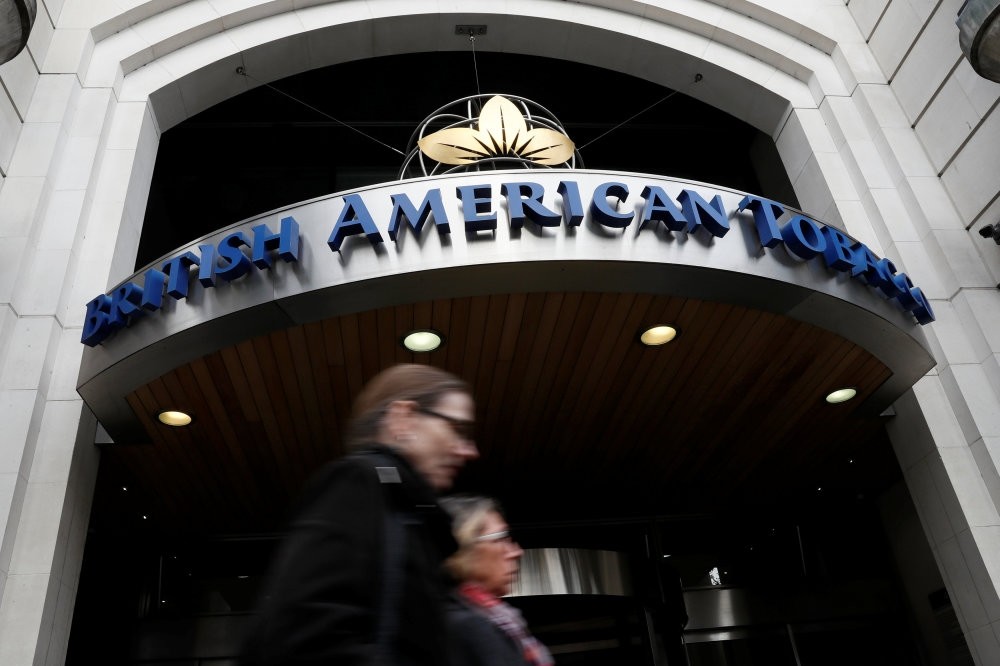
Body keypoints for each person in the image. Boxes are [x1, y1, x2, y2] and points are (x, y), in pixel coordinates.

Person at [240, 363, 480, 666]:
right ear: (403, 418)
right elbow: (306, 633)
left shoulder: (411, 515)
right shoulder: (357, 482)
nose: (469, 450)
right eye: (457, 428)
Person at [441, 495, 553, 666]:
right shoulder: (467, 626)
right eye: (501, 539)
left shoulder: (492, 619)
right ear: (463, 547)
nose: (516, 552)